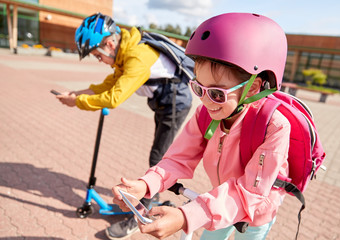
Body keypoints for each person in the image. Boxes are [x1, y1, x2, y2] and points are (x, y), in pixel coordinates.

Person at [111, 12, 290, 240]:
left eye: (216, 93)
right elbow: (177, 158)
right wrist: (146, 185)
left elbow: (248, 194)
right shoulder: (206, 113)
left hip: (256, 215)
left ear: (253, 88)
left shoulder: (274, 127)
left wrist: (187, 216)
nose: (204, 101)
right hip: (217, 201)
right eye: (198, 88)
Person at [54, 13, 192, 240]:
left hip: (175, 105)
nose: (99, 60)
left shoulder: (138, 56)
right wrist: (76, 94)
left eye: (98, 56)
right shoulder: (125, 52)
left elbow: (113, 98)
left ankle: (142, 216)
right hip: (164, 103)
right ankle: (153, 198)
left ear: (109, 43)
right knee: (158, 155)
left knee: (158, 158)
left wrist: (77, 103)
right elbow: (107, 85)